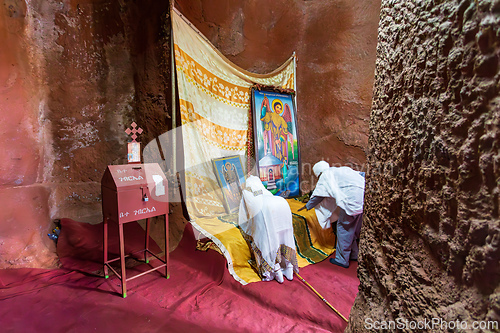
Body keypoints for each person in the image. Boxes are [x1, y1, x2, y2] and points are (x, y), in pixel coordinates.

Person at [302, 161, 365, 268]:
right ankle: (354, 254)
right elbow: (361, 175)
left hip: (350, 201)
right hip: (361, 199)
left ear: (318, 173)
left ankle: (342, 260)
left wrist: (307, 206)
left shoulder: (325, 175)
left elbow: (318, 195)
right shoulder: (340, 170)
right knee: (352, 227)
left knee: (343, 228)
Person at [238, 175, 299, 282]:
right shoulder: (263, 190)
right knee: (286, 236)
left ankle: (276, 271)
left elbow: (245, 212)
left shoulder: (247, 191)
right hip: (282, 204)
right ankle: (289, 268)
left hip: (265, 210)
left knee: (268, 241)